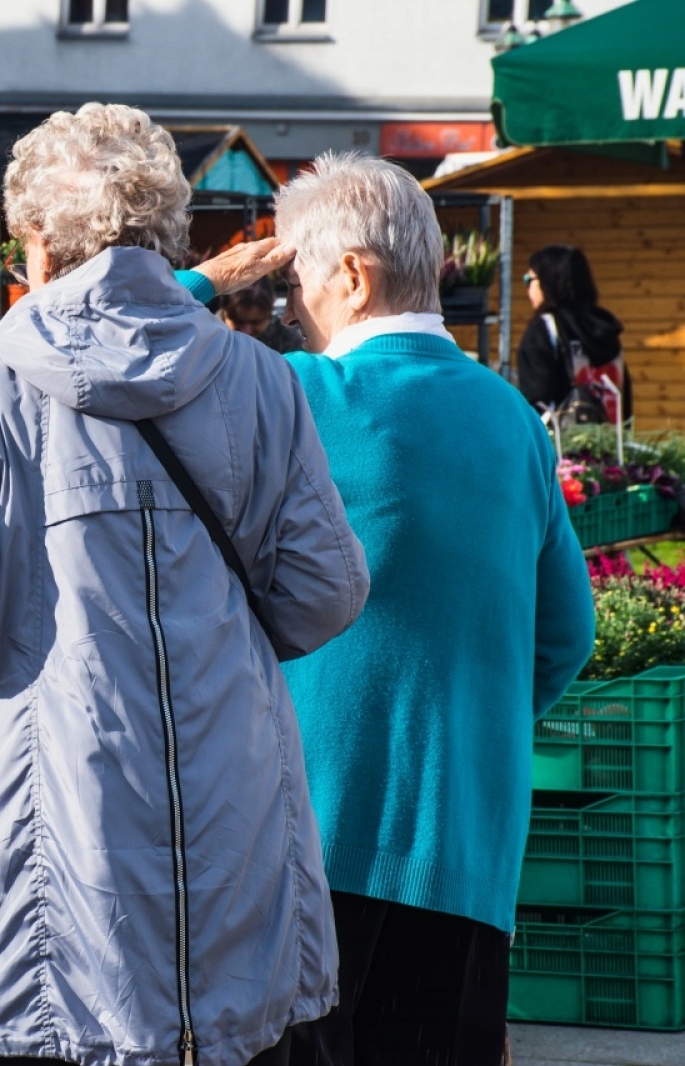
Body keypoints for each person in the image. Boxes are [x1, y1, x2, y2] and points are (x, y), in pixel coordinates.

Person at [0, 104, 370, 1066]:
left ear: (34, 242)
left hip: (51, 814)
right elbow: (326, 589)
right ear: (166, 233)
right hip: (231, 787)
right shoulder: (263, 379)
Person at [180, 155, 595, 1066]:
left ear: (352, 275)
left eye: (295, 277)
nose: (290, 302)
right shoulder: (515, 419)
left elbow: (114, 341)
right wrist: (463, 720)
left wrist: (202, 279)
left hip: (307, 840)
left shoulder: (298, 393)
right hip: (469, 847)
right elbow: (569, 632)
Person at [516, 244, 629, 424]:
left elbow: (535, 400)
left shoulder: (544, 328)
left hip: (561, 445)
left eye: (528, 279)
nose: (528, 289)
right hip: (611, 443)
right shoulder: (606, 326)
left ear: (547, 282)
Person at [220, 277, 305, 354]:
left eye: (255, 322)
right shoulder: (211, 337)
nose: (246, 331)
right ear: (224, 312)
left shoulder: (286, 340)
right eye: (238, 322)